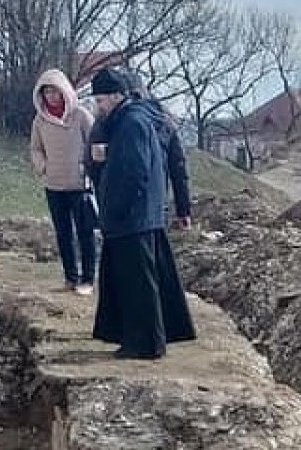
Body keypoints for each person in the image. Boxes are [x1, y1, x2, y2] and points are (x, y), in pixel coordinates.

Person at [88, 68, 196, 360]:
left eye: (100, 101)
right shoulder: (134, 120)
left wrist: (117, 208)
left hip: (132, 217)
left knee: (138, 283)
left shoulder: (132, 123)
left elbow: (134, 171)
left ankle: (145, 343)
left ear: (115, 96)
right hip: (141, 215)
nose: (98, 107)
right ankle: (142, 338)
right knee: (140, 280)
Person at [85, 70, 193, 230]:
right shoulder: (162, 121)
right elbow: (178, 167)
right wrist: (183, 209)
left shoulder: (109, 122)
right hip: (154, 203)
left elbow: (94, 165)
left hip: (121, 206)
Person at [29, 69, 97, 295]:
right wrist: (43, 167)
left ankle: (88, 279)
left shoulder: (80, 115)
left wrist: (87, 168)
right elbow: (35, 148)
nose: (51, 96)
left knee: (85, 232)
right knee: (63, 233)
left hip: (79, 186)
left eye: (55, 91)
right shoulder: (39, 120)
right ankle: (71, 277)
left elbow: (95, 142)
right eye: (47, 92)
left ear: (64, 91)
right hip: (54, 185)